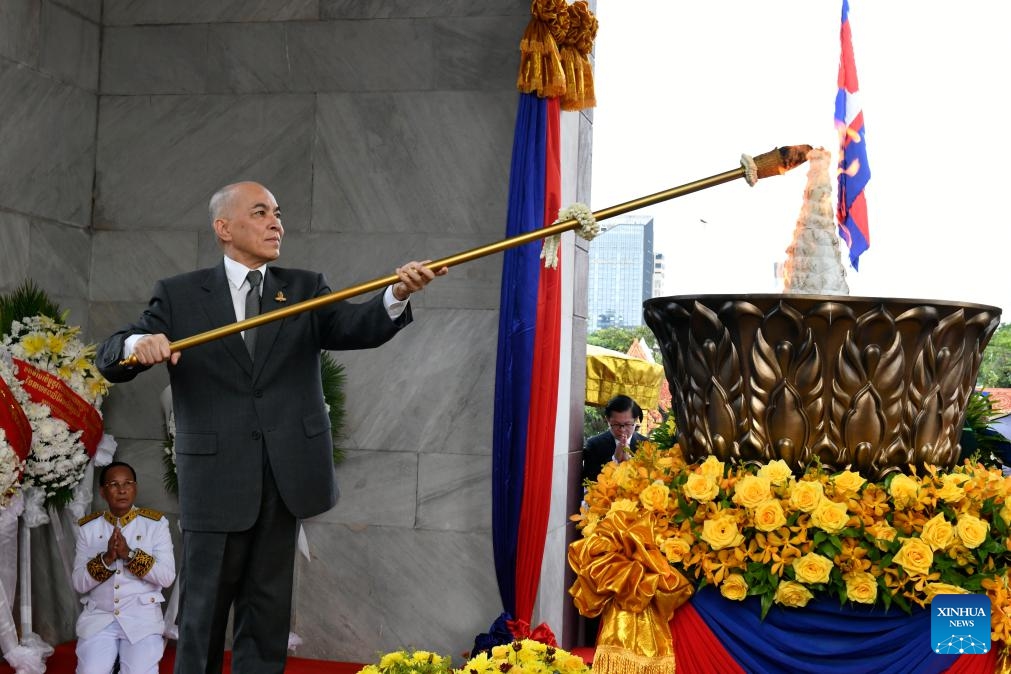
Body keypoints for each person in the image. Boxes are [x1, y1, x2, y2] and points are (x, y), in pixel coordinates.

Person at [95, 181, 445, 673]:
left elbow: (353, 327)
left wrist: (396, 293)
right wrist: (138, 345)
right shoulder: (178, 295)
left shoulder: (303, 287)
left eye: (277, 212)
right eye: (260, 212)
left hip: (284, 481)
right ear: (224, 228)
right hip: (214, 483)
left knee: (267, 619)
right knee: (202, 619)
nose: (275, 222)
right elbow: (110, 356)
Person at [72, 461, 175, 674]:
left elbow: (166, 577)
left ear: (135, 488)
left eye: (128, 483)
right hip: (99, 618)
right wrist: (107, 558)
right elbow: (79, 583)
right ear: (102, 491)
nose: (122, 490)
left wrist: (129, 555)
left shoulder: (155, 525)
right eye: (114, 484)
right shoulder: (88, 528)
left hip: (142, 619)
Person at [581, 394, 647, 483]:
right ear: (608, 420)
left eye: (627, 424)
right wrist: (615, 460)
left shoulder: (646, 445)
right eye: (616, 424)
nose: (622, 429)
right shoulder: (594, 445)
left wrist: (631, 464)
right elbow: (589, 482)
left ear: (636, 420)